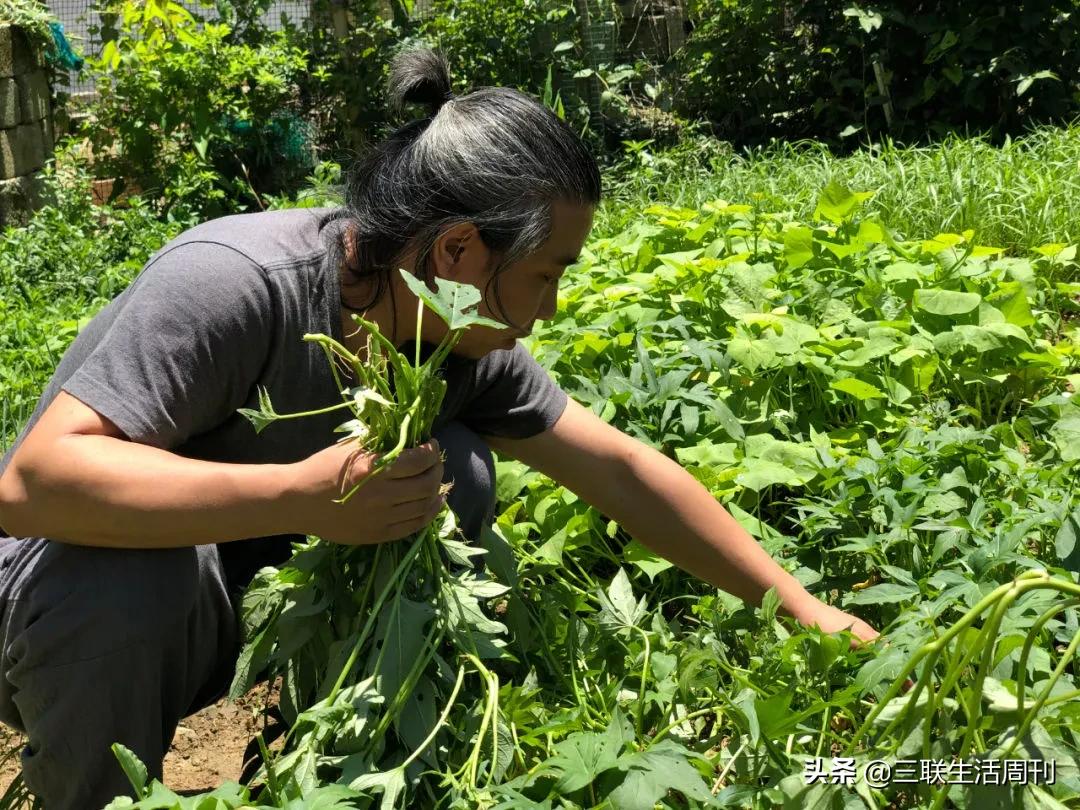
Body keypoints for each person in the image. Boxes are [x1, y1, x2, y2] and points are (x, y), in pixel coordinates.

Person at [0, 48, 878, 809]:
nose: (550, 308)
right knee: (134, 583)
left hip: (223, 612)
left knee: (454, 468)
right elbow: (34, 486)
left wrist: (802, 610)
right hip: (53, 608)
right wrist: (302, 496)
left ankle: (321, 760)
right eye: (545, 275)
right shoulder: (235, 284)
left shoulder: (451, 333)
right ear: (458, 251)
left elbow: (618, 472)